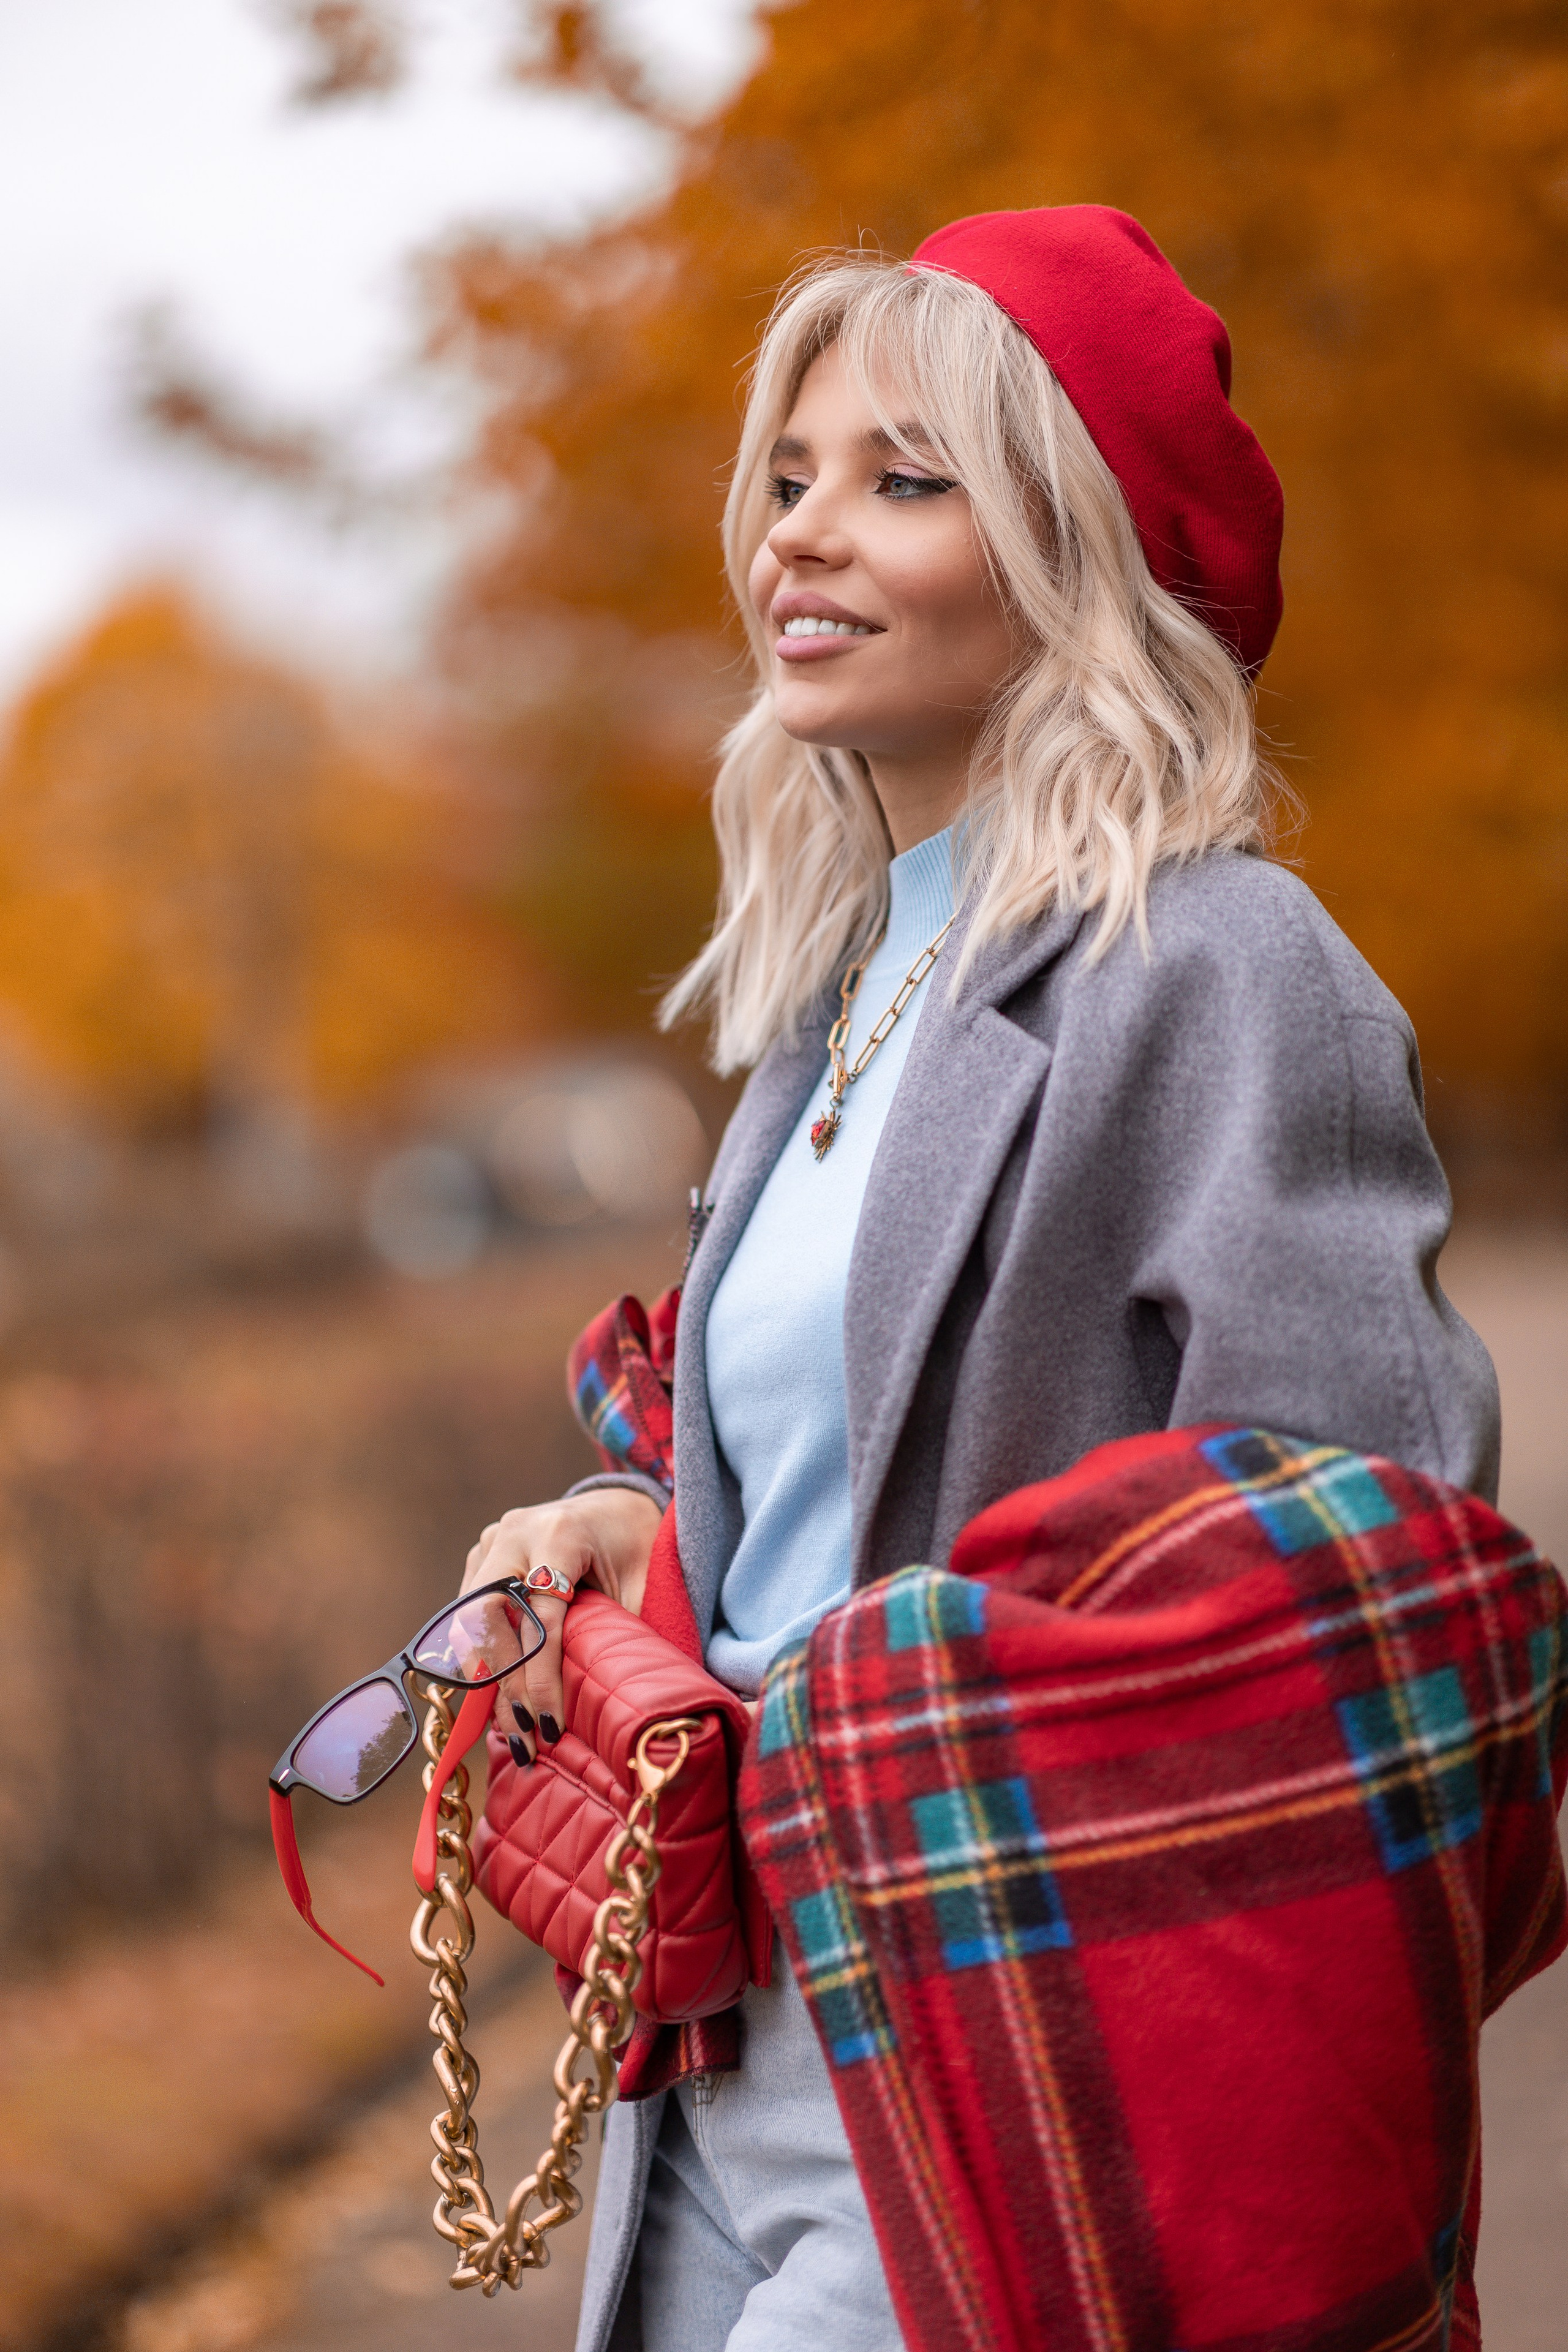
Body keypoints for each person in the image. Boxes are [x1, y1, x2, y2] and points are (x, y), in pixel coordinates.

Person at [458, 208, 1501, 2352]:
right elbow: (863, 1488)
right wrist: (647, 1539)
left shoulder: (1221, 972)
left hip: (996, 2062)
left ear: (1083, 555)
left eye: (904, 480)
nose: (801, 536)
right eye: (791, 473)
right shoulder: (840, 987)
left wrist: (891, 1704)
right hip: (722, 2061)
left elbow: (1363, 1599)